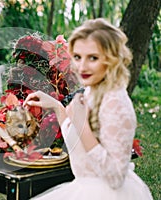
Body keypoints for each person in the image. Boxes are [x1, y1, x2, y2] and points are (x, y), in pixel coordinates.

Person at [24, 18, 153, 200]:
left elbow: (115, 178)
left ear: (111, 59)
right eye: (77, 57)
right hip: (83, 187)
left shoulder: (115, 103)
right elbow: (79, 143)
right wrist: (57, 107)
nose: (82, 67)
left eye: (93, 58)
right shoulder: (93, 90)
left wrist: (82, 123)